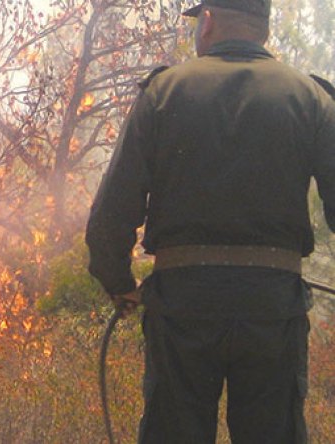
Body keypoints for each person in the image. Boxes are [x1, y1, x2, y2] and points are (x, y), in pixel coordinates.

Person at [85, 0, 335, 442]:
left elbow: (114, 208)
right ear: (263, 29)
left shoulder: (163, 92)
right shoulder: (311, 97)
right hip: (272, 310)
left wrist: (117, 280)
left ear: (210, 21)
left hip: (183, 307)